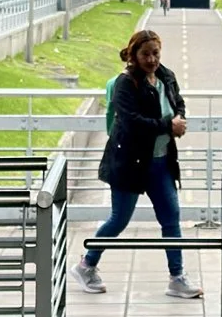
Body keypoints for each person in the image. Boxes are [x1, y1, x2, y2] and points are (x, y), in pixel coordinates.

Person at [76, 26, 200, 299]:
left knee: (171, 218)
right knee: (119, 220)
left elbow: (178, 102)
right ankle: (86, 265)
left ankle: (177, 277)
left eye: (155, 53)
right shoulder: (125, 83)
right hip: (129, 162)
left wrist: (178, 117)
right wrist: (169, 126)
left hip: (161, 162)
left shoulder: (166, 76)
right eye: (146, 54)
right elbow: (132, 123)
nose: (152, 59)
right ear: (133, 55)